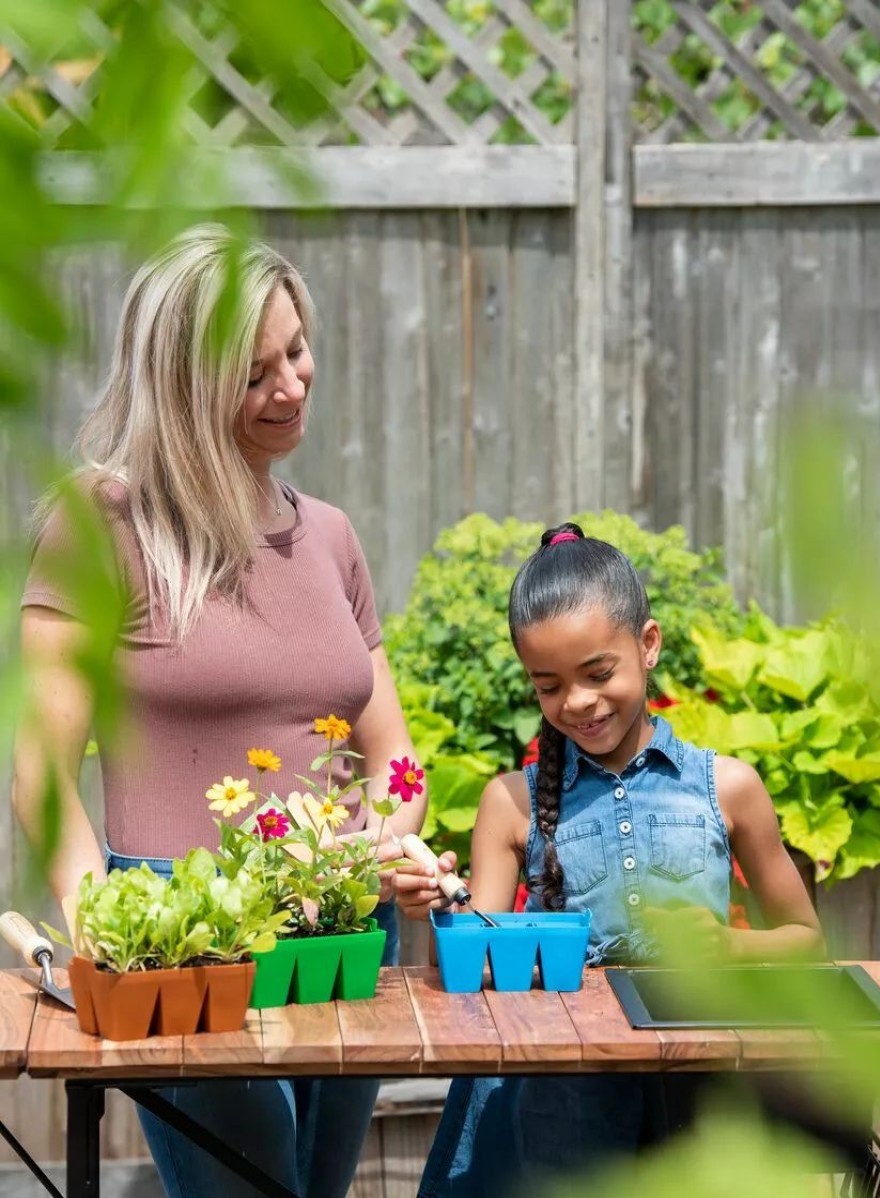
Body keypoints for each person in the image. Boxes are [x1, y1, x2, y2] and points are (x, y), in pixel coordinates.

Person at [12, 223, 426, 1198]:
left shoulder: (329, 536)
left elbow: (396, 752)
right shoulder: (100, 524)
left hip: (343, 926)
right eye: (251, 374)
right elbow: (39, 773)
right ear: (183, 392)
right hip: (186, 941)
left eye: (296, 350)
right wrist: (101, 923)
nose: (290, 385)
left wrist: (386, 836)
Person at [394, 522, 823, 1198]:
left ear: (647, 645)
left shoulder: (729, 787)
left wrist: (729, 951)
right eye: (549, 686)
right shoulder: (510, 802)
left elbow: (805, 942)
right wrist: (436, 904)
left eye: (598, 674)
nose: (579, 703)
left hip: (697, 1095)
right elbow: (472, 966)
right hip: (557, 1106)